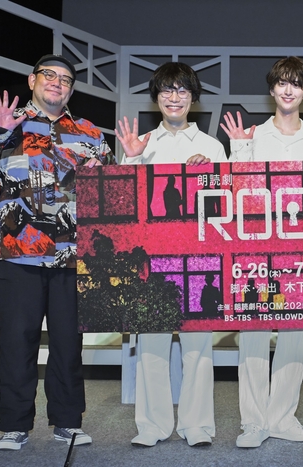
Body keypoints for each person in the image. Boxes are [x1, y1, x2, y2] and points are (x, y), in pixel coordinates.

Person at [0, 54, 114, 451]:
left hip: (72, 257)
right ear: (32, 81)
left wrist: (124, 161)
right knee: (17, 342)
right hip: (17, 254)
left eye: (65, 78)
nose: (57, 82)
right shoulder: (5, 125)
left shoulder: (89, 133)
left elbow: (113, 193)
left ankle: (67, 422)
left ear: (71, 90)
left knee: (68, 345)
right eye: (49, 75)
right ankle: (14, 426)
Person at [220, 56, 303, 448]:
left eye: (296, 84)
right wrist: (240, 149)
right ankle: (253, 422)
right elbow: (233, 193)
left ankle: (284, 417)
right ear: (272, 89)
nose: (289, 90)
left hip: (300, 252)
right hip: (254, 251)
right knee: (252, 334)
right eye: (282, 83)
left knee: (294, 336)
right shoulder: (252, 136)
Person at [115, 61, 226, 448]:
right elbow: (123, 206)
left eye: (182, 90)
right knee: (151, 345)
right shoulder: (142, 143)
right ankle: (152, 425)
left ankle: (197, 424)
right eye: (166, 90)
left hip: (199, 256)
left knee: (199, 347)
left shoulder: (212, 146)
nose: (174, 97)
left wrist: (210, 174)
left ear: (193, 98)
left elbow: (226, 207)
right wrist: (132, 159)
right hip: (152, 260)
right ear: (156, 97)